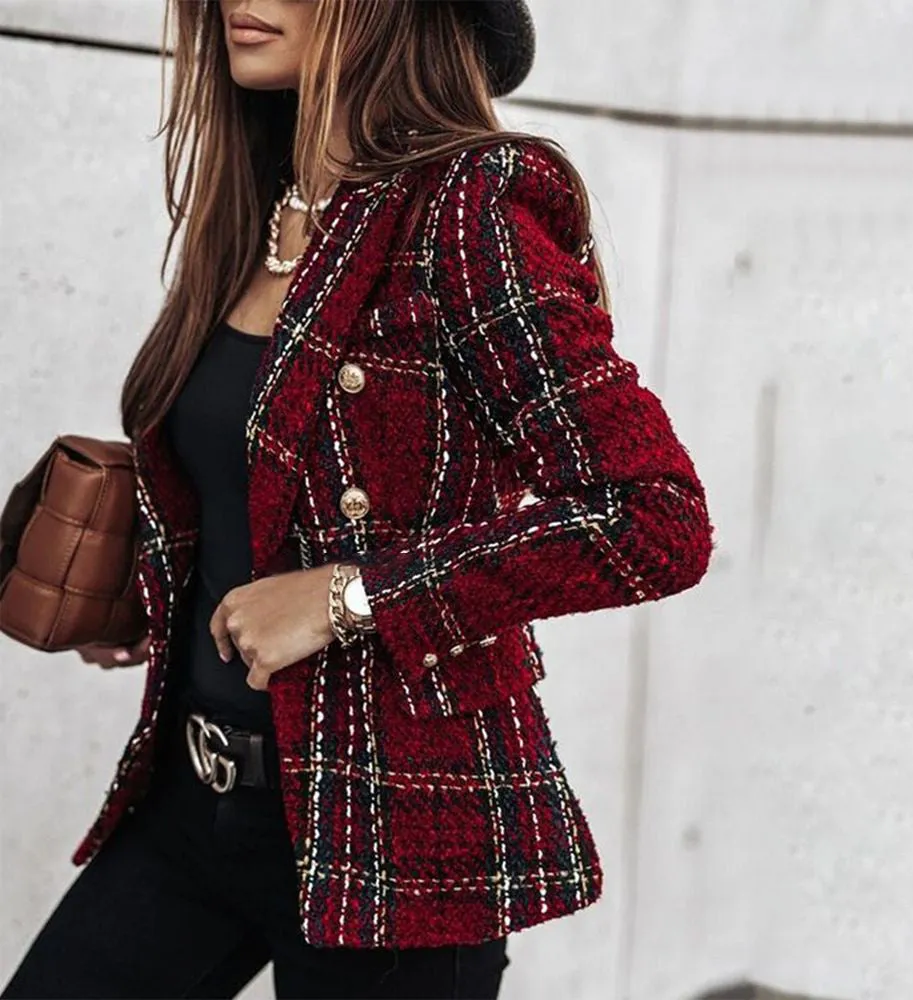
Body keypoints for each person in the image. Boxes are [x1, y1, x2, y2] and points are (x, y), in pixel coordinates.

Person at [1, 1, 714, 997]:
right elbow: (278, 468)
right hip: (196, 801)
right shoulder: (263, 206)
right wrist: (158, 580)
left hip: (393, 835)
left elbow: (654, 518)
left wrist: (345, 595)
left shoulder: (468, 210)